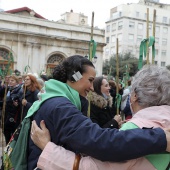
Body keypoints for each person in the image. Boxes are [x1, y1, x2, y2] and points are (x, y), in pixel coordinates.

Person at [27, 55, 170, 170]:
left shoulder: (60, 101)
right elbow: (99, 141)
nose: (91, 87)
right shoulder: (60, 106)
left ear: (135, 96)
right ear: (74, 77)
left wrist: (48, 149)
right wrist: (160, 138)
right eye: (90, 80)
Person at [2, 75, 21, 144]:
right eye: (9, 80)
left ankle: (11, 152)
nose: (10, 82)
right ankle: (7, 151)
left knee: (12, 134)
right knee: (6, 132)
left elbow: (16, 103)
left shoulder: (19, 90)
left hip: (13, 116)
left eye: (12, 80)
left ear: (17, 82)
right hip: (7, 114)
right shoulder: (9, 89)